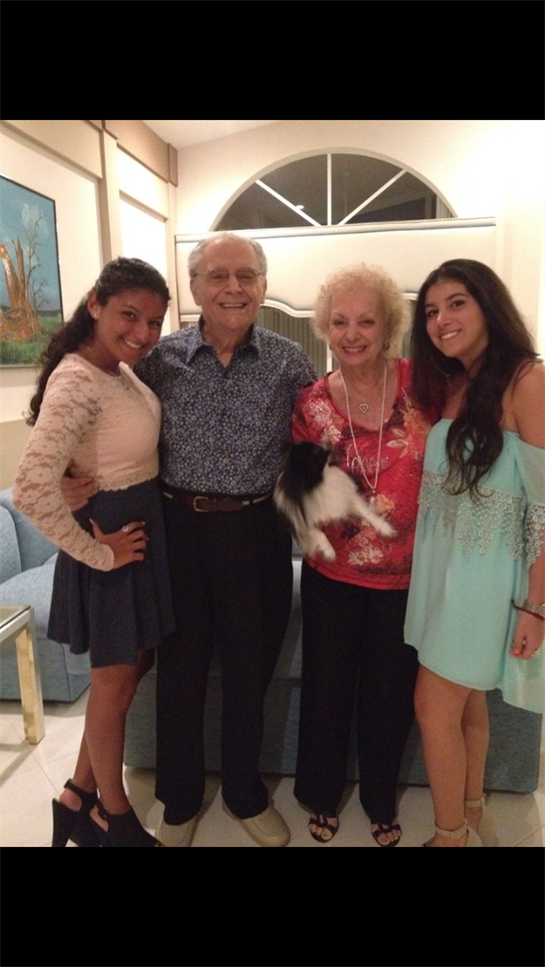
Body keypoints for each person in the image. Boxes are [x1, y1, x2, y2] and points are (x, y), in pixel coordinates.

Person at [132, 232, 316, 847]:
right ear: (194, 287)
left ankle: (244, 793)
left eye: (245, 275)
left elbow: (321, 439)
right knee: (179, 674)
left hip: (256, 533)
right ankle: (180, 801)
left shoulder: (291, 362)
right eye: (217, 276)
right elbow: (112, 422)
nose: (232, 288)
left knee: (248, 671)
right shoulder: (159, 360)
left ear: (263, 286)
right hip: (177, 531)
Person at [13, 258, 174, 847]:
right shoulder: (78, 379)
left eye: (154, 322)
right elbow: (30, 488)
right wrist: (98, 553)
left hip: (135, 537)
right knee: (113, 681)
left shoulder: (116, 369)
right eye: (129, 315)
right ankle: (114, 812)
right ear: (95, 305)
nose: (143, 332)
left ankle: (76, 797)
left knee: (132, 670)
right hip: (113, 549)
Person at [291, 264, 433, 845]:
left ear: (389, 326)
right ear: (325, 327)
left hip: (408, 579)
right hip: (333, 577)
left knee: (389, 696)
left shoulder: (426, 386)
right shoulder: (311, 403)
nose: (352, 334)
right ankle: (321, 796)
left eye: (366, 321)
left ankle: (380, 801)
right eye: (340, 321)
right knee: (326, 690)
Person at [405, 258, 545, 847]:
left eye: (457, 303)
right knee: (466, 708)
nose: (442, 320)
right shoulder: (458, 383)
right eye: (431, 311)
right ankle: (471, 814)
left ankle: (449, 838)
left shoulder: (528, 379)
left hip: (483, 580)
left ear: (489, 304)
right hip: (442, 571)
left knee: (432, 707)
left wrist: (536, 605)